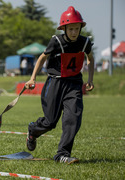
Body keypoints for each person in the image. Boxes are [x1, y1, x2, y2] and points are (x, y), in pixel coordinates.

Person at [25, 6, 94, 164]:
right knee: (50, 122)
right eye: (70, 29)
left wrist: (90, 79)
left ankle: (62, 154)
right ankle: (32, 131)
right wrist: (32, 78)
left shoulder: (85, 42)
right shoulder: (56, 41)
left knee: (73, 118)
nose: (74, 32)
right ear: (64, 28)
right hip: (55, 82)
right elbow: (42, 58)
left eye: (77, 29)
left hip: (74, 84)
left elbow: (90, 58)